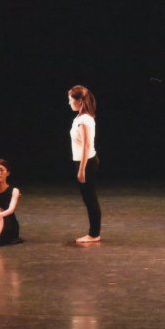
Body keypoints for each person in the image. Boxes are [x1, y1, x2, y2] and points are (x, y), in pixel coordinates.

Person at [68, 85, 101, 243]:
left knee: (90, 199)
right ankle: (94, 233)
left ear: (79, 101)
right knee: (88, 198)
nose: (69, 103)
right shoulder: (80, 118)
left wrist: (81, 170)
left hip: (86, 163)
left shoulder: (84, 120)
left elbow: (86, 145)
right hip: (84, 162)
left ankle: (94, 234)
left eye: (70, 100)